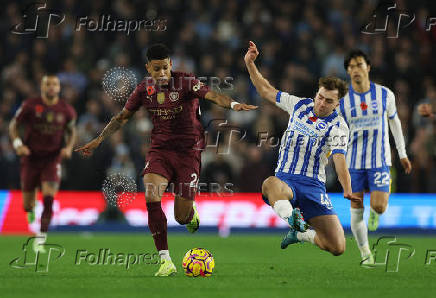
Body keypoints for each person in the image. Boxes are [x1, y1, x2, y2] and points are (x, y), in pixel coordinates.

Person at [75, 43, 257, 276]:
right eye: (156, 69)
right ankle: (165, 260)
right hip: (160, 150)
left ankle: (191, 214)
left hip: (188, 152)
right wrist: (98, 140)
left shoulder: (186, 81)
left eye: (165, 68)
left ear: (171, 64)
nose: (161, 73)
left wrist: (232, 104)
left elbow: (210, 94)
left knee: (181, 217)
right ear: (148, 68)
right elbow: (122, 118)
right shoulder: (143, 90)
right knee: (151, 194)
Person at [244, 41, 359, 256]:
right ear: (317, 93)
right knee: (269, 184)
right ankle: (293, 220)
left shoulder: (339, 127)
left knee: (337, 247)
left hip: (314, 186)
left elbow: (339, 159)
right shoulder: (298, 105)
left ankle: (299, 234)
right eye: (320, 97)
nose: (321, 103)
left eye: (328, 101)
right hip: (285, 180)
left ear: (337, 104)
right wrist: (250, 64)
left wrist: (347, 188)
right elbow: (266, 90)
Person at [340, 49, 412, 264]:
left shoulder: (384, 94)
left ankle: (375, 212)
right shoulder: (343, 100)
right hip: (352, 163)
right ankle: (365, 254)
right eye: (351, 67)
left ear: (368, 67)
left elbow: (395, 122)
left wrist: (402, 153)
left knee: (380, 206)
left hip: (379, 160)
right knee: (355, 211)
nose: (355, 70)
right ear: (348, 71)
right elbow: (336, 129)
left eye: (359, 65)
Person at [8, 75, 77, 252]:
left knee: (48, 198)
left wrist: (68, 148)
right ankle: (31, 213)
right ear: (42, 87)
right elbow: (14, 126)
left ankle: (41, 238)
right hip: (30, 158)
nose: (51, 87)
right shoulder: (30, 106)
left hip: (52, 159)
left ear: (59, 88)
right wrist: (18, 145)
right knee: (27, 205)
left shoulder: (66, 110)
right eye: (48, 84)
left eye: (55, 84)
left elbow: (72, 130)